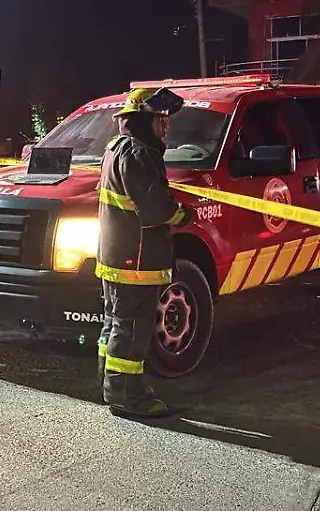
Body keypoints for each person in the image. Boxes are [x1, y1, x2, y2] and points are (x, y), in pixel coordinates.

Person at [96, 88, 191, 418]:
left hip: (116, 255)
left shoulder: (116, 148)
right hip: (136, 259)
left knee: (115, 323)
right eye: (160, 119)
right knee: (133, 328)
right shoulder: (140, 153)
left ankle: (109, 384)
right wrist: (181, 214)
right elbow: (154, 207)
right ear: (142, 121)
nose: (165, 127)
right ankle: (127, 396)